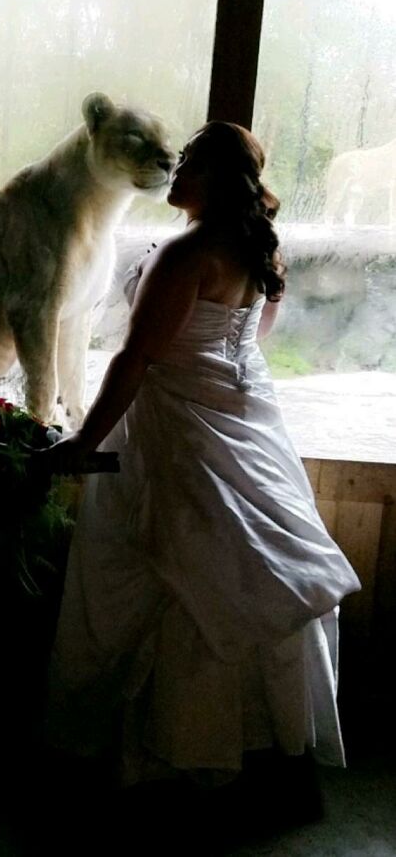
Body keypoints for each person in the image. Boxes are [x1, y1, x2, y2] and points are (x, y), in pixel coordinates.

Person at [42, 121, 361, 803]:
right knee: (234, 566)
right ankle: (256, 744)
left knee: (180, 567)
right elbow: (251, 341)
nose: (174, 170)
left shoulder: (187, 255)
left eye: (187, 162)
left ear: (212, 178)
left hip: (178, 426)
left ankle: (178, 744)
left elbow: (137, 358)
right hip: (243, 415)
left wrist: (85, 442)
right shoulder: (256, 250)